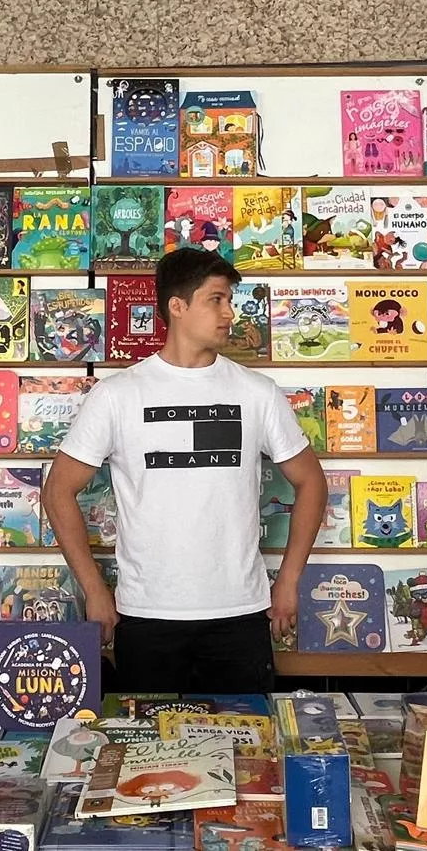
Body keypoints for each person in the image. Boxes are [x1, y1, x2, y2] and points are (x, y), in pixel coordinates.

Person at [42, 249, 327, 693]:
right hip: (146, 615)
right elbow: (58, 492)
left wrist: (288, 580)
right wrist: (95, 591)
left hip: (240, 613)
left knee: (248, 752)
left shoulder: (257, 393)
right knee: (148, 755)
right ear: (177, 307)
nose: (229, 312)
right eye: (216, 299)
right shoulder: (117, 395)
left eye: (230, 299)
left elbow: (310, 482)